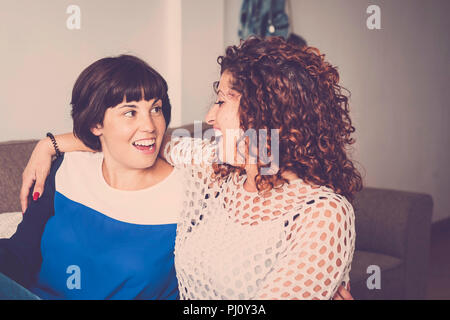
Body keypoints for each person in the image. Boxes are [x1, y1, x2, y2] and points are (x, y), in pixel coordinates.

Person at [20, 37, 358, 300]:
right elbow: (145, 142)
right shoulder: (218, 173)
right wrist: (50, 145)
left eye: (222, 101)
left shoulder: (323, 213)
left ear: (268, 114)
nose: (209, 117)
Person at [0, 55, 181, 299]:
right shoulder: (69, 168)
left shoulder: (188, 193)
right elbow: (21, 254)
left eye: (155, 109)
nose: (150, 125)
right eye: (130, 112)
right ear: (96, 124)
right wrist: (48, 145)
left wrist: (49, 144)